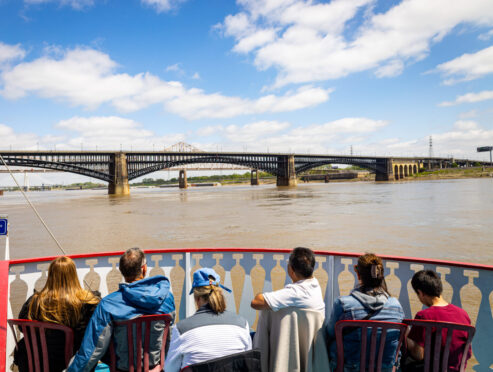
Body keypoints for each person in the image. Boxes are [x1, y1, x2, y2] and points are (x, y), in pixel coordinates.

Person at [67, 247, 175, 372]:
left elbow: (93, 350)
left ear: (122, 271)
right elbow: (170, 338)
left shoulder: (108, 304)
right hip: (155, 369)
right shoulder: (166, 298)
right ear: (144, 269)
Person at [14, 256, 100, 372]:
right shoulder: (88, 301)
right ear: (73, 275)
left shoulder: (35, 300)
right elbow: (91, 334)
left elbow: (22, 327)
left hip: (36, 364)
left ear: (50, 276)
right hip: (70, 364)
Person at [326, 253, 404, 372]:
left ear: (358, 275)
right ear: (381, 275)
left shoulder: (343, 304)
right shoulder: (396, 306)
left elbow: (331, 333)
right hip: (385, 369)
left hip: (349, 368)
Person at [165, 268, 252, 371]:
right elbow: (247, 363)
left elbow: (170, 369)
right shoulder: (242, 324)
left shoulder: (181, 329)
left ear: (197, 299)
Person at [404, 270, 472, 372]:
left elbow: (418, 354)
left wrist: (405, 334)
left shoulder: (424, 316)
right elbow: (468, 353)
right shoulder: (463, 314)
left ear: (420, 293)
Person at [250, 247, 325, 312]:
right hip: (313, 328)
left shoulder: (294, 292)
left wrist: (258, 295)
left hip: (298, 328)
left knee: (267, 310)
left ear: (292, 271)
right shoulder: (315, 284)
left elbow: (256, 303)